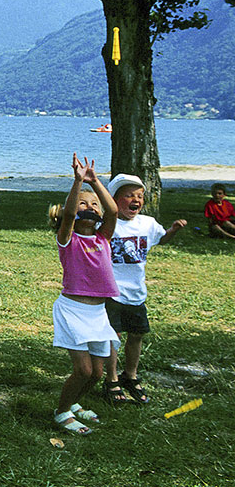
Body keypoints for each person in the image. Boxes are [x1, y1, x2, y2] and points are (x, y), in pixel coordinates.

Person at [46, 153, 119, 435]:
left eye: (93, 205)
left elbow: (113, 211)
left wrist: (95, 181)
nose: (89, 207)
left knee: (98, 373)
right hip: (72, 310)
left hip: (98, 313)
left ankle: (74, 402)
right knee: (84, 371)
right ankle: (61, 411)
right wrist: (77, 182)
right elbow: (67, 215)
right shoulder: (69, 238)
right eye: (82, 204)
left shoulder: (103, 237)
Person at [102, 173, 185, 404]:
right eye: (128, 195)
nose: (135, 200)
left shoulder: (147, 223)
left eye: (139, 196)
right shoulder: (108, 223)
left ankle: (130, 375)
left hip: (137, 292)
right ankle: (111, 379)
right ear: (114, 199)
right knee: (114, 336)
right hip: (112, 292)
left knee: (137, 334)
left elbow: (161, 239)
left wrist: (173, 230)